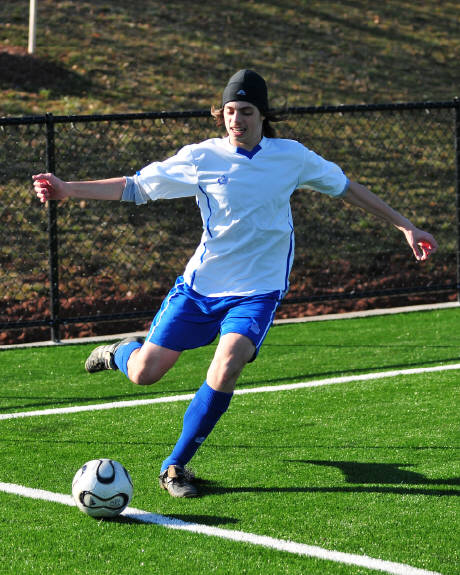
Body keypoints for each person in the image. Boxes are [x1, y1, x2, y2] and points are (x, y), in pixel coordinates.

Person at [33, 69, 438, 498]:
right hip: (200, 288)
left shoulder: (292, 157)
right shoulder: (201, 157)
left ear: (262, 115)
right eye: (229, 111)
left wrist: (405, 226)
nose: (235, 119)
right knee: (143, 373)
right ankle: (120, 352)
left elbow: (347, 189)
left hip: (258, 291)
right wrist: (67, 189)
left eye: (245, 111)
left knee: (229, 362)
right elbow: (136, 187)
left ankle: (175, 466)